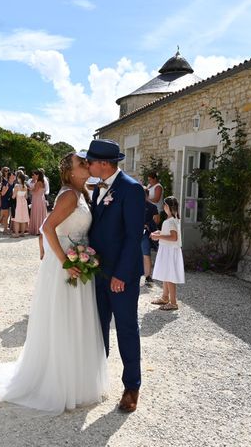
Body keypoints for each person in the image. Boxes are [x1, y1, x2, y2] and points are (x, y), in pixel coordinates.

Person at [0, 153, 109, 414]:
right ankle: (59, 383)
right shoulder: (68, 195)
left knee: (77, 319)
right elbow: (47, 227)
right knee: (65, 319)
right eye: (82, 164)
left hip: (79, 259)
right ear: (70, 172)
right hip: (66, 264)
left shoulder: (82, 193)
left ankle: (76, 380)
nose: (87, 165)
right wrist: (66, 260)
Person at [86, 139, 145, 413]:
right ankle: (97, 379)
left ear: (105, 164)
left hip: (122, 276)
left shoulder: (131, 189)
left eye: (91, 161)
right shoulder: (97, 188)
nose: (87, 165)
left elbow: (134, 236)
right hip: (97, 272)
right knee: (98, 327)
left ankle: (132, 386)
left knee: (126, 329)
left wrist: (121, 274)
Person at [150, 197, 185, 310]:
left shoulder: (170, 221)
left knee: (170, 276)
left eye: (164, 205)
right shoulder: (172, 220)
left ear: (168, 207)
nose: (163, 207)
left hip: (170, 251)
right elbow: (170, 234)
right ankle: (165, 297)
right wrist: (159, 232)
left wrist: (158, 236)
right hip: (167, 250)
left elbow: (173, 237)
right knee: (166, 274)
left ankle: (173, 302)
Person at [142, 187, 159, 285]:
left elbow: (156, 221)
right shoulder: (133, 205)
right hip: (135, 232)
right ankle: (145, 275)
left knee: (145, 254)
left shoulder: (152, 207)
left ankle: (147, 275)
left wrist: (148, 224)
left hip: (145, 232)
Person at [28, 170, 47, 235]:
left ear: (38, 175)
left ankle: (37, 229)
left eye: (34, 175)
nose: (33, 176)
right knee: (40, 213)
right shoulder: (42, 182)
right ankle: (40, 228)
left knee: (37, 213)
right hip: (41, 199)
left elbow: (35, 191)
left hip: (37, 199)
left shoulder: (38, 182)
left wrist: (29, 189)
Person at [11, 172, 29, 237]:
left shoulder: (16, 186)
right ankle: (22, 233)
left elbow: (13, 196)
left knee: (17, 219)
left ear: (19, 178)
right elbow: (26, 197)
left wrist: (12, 193)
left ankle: (16, 234)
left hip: (18, 203)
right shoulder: (25, 186)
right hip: (24, 203)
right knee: (23, 218)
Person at [0, 167, 13, 234]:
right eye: (6, 171)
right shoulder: (2, 180)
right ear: (3, 172)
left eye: (8, 170)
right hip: (4, 198)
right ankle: (2, 228)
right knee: (3, 215)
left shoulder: (8, 179)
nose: (7, 172)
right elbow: (2, 192)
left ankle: (3, 229)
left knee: (6, 215)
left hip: (8, 198)